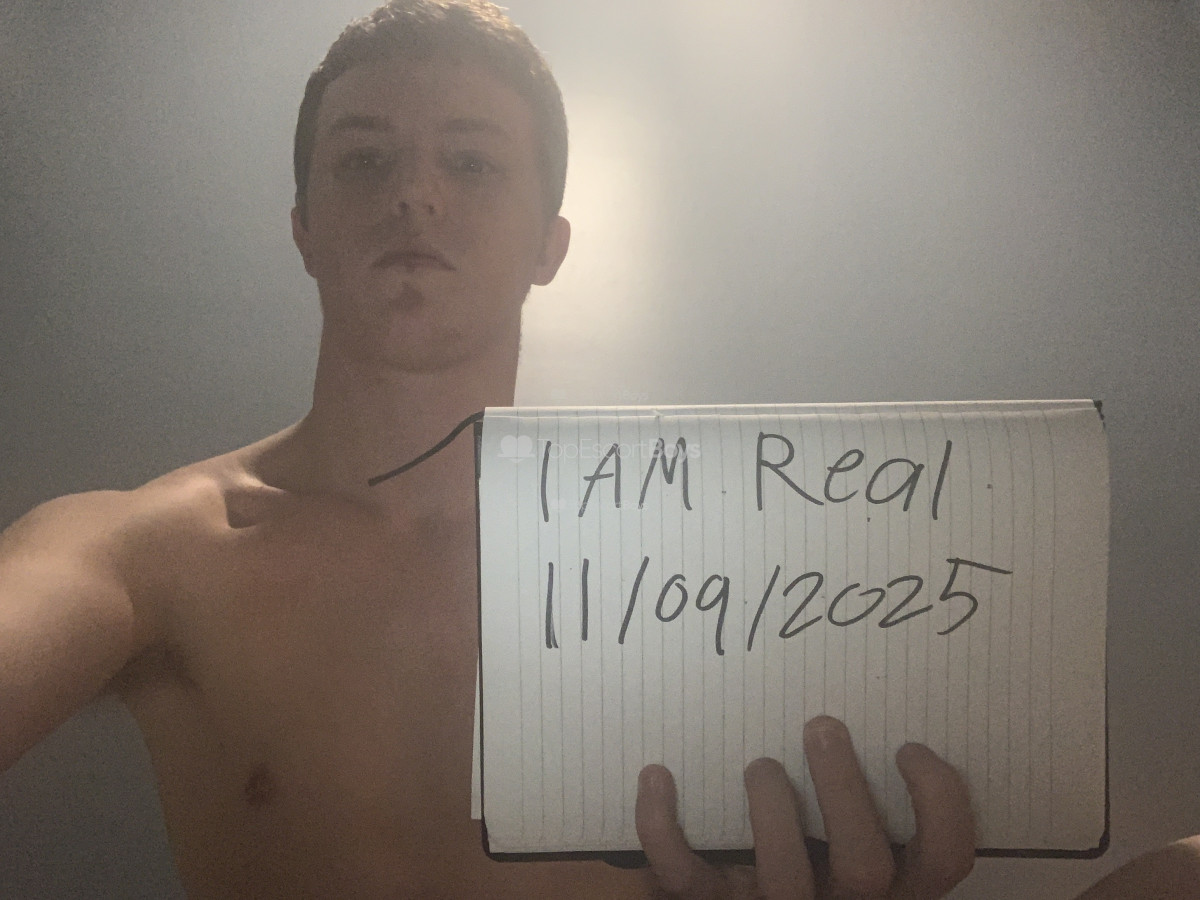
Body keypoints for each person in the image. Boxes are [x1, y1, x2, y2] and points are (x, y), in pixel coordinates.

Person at [0, 2, 1187, 897]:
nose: (416, 195)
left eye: (470, 161)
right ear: (305, 229)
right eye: (365, 158)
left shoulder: (724, 566)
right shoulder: (152, 548)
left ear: (550, 245)